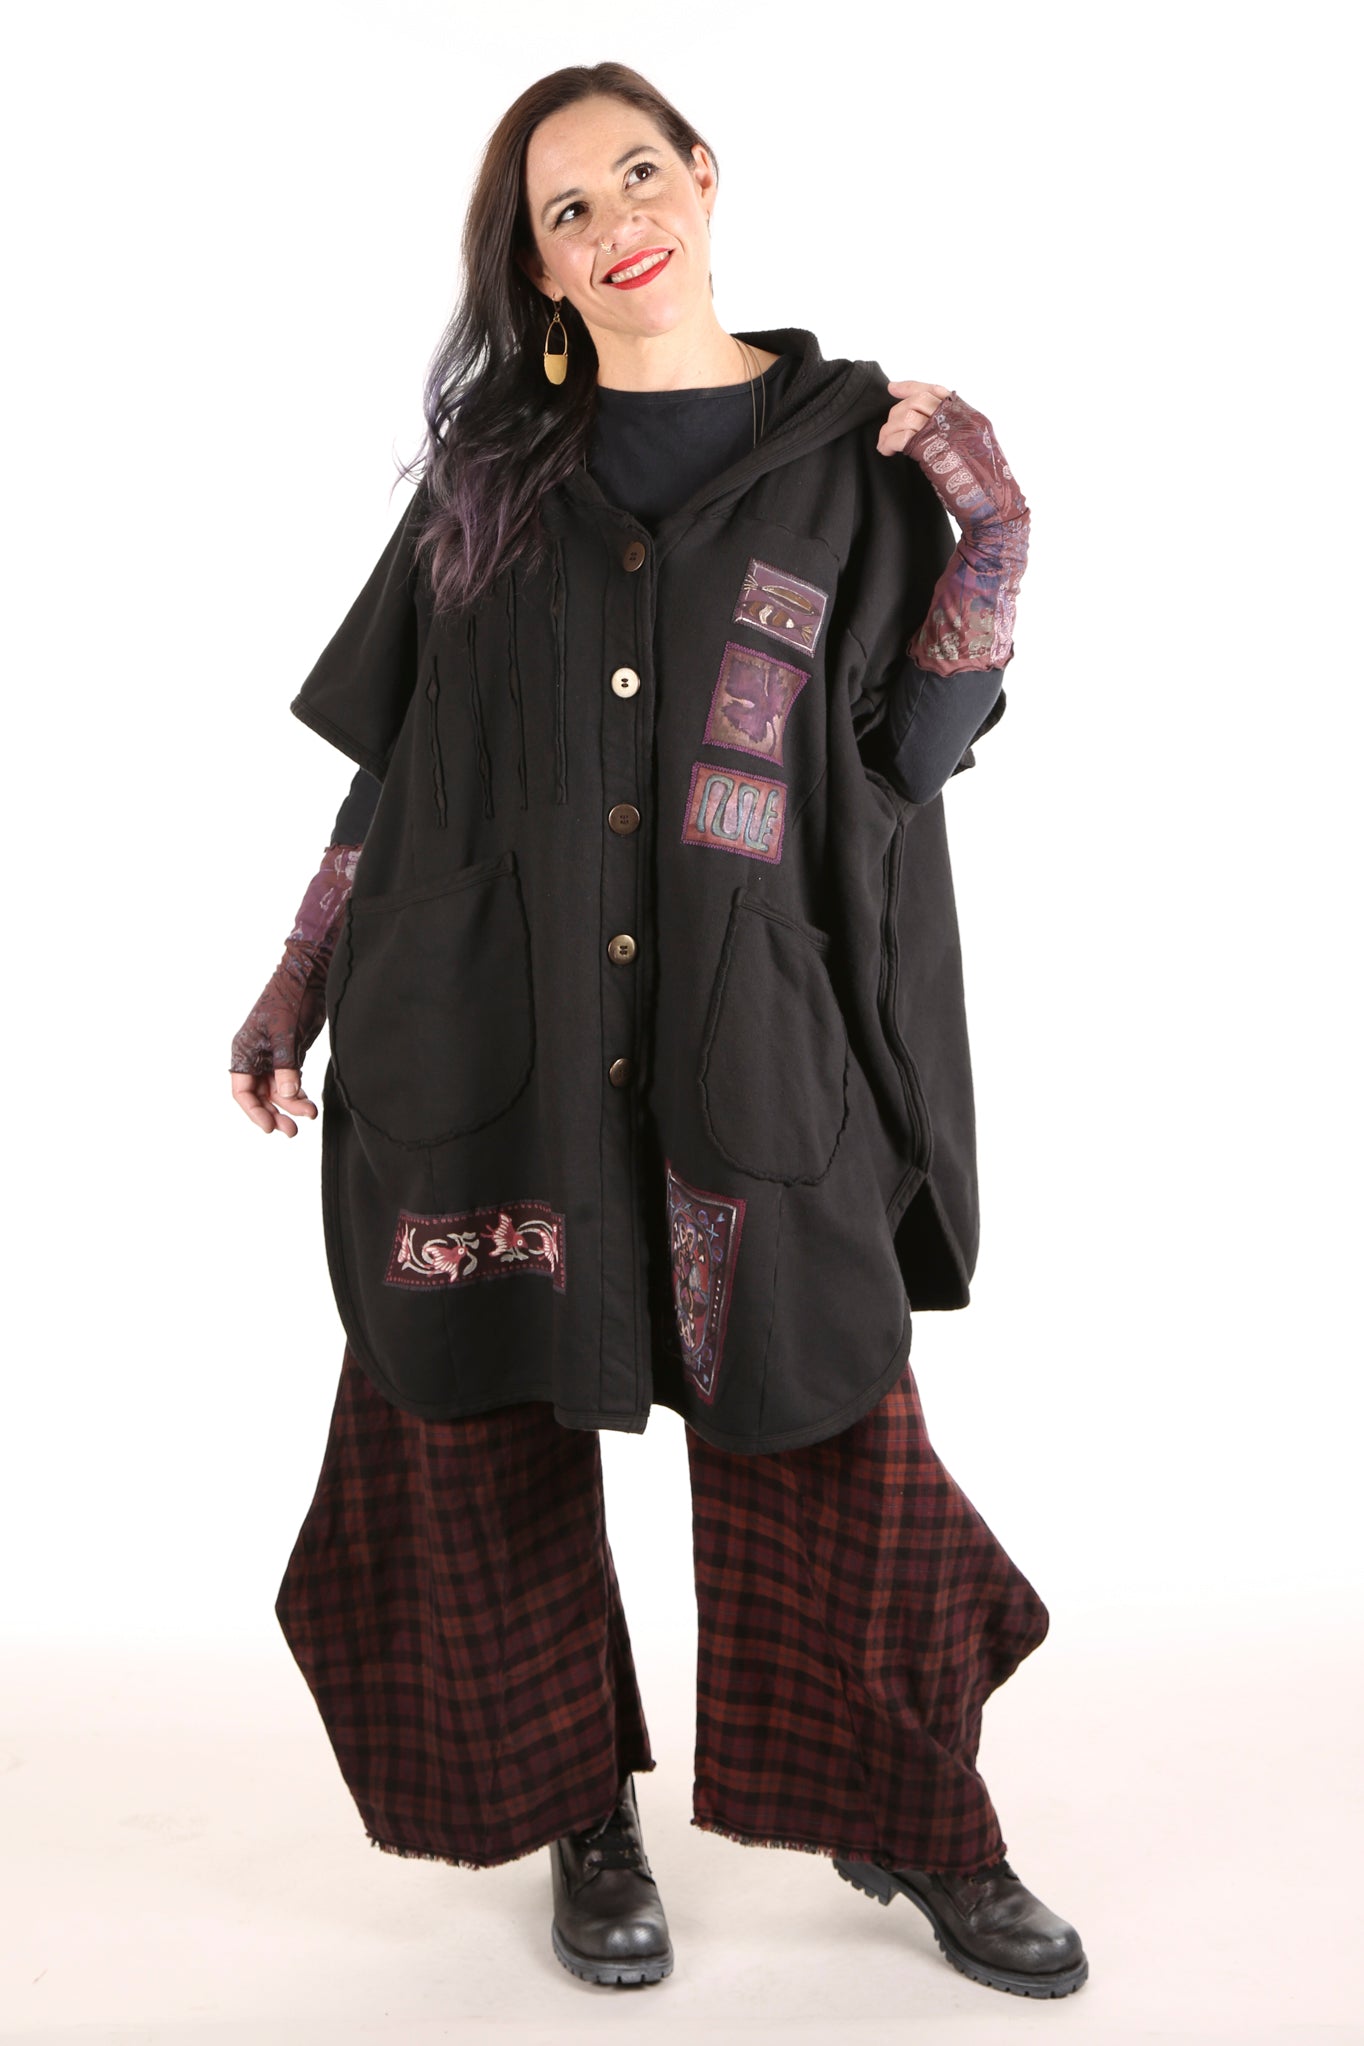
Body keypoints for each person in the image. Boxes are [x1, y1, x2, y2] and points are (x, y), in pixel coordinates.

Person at [230, 62, 1088, 2000]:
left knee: (825, 1414)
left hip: (749, 1033)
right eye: (565, 209)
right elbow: (395, 768)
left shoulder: (850, 456)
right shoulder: (488, 479)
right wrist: (295, 977)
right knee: (479, 1422)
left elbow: (910, 754)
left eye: (637, 172)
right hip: (494, 1037)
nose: (617, 221)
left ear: (703, 176)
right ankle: (577, 1810)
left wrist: (993, 541)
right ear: (538, 272)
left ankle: (913, 1811)